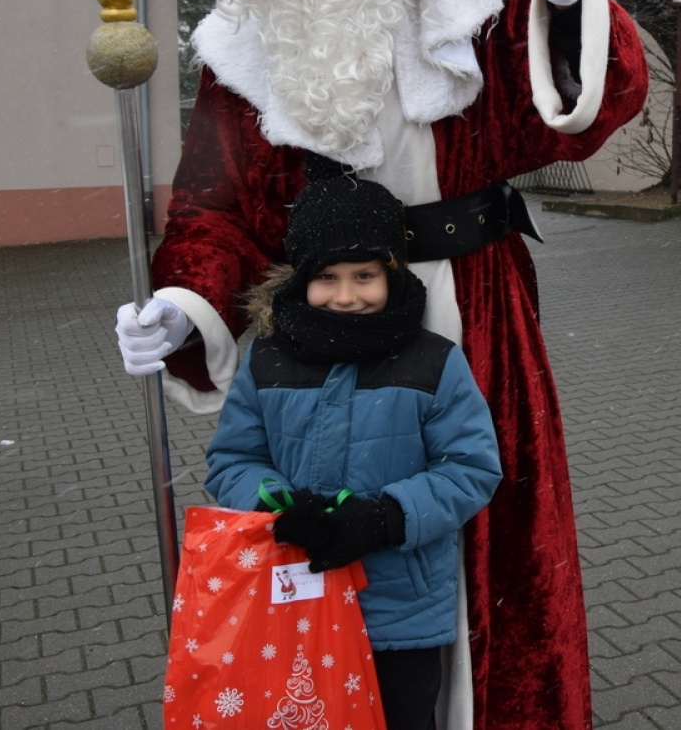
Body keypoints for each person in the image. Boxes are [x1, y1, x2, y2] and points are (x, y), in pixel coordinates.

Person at [115, 0, 649, 730]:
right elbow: (212, 208)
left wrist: (565, 3)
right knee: (318, 548)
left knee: (483, 543)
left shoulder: (476, 1)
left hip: (468, 319)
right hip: (311, 334)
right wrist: (182, 303)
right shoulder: (238, 51)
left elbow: (572, 118)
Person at [205, 176, 502, 730]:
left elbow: (471, 467)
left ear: (391, 274)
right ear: (301, 280)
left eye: (364, 275)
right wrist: (281, 505)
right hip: (294, 593)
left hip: (399, 610)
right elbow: (232, 458)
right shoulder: (268, 359)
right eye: (327, 278)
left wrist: (387, 516)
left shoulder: (433, 361)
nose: (346, 296)